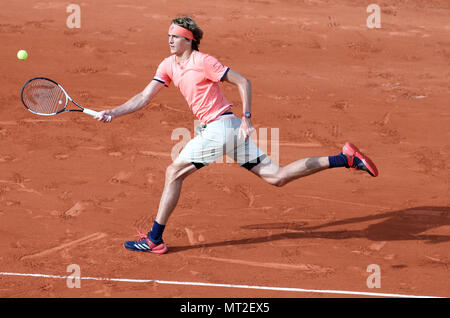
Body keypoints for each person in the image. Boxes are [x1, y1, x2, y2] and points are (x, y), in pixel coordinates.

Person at [96, 16, 379, 254]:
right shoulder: (168, 65)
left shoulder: (203, 61)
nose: (170, 40)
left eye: (175, 36)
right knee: (277, 177)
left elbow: (243, 81)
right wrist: (113, 111)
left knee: (173, 172)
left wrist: (247, 118)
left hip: (223, 128)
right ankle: (345, 159)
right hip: (222, 131)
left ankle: (154, 240)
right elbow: (144, 96)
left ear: (190, 39)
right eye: (168, 35)